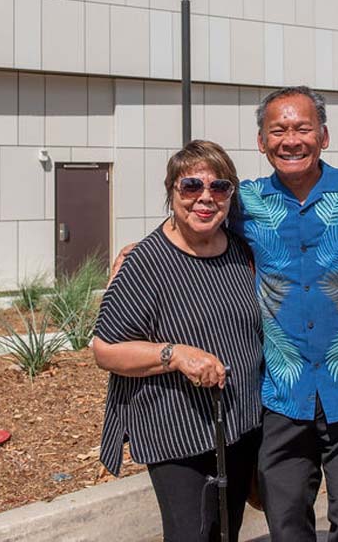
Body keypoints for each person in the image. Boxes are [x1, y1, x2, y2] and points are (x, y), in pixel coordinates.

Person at [94, 140, 263, 542]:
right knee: (193, 534)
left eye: (219, 187)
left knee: (227, 531)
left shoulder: (240, 252)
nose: (205, 197)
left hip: (238, 422)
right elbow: (106, 349)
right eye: (191, 186)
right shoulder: (145, 262)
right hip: (177, 430)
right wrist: (175, 355)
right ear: (171, 192)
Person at [238, 86, 338, 542]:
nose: (291, 140)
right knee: (285, 525)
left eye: (302, 128)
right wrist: (139, 249)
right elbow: (192, 228)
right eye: (277, 130)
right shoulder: (243, 202)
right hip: (282, 391)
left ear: (323, 136)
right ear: (261, 141)